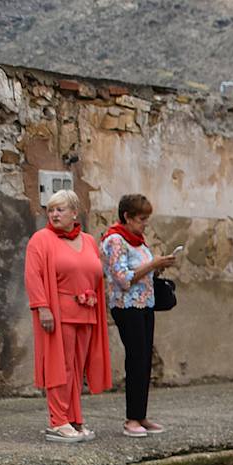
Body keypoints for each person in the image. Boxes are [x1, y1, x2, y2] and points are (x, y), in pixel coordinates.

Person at [25, 189, 111, 443]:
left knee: (77, 368)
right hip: (57, 314)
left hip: (86, 312)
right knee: (59, 367)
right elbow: (33, 276)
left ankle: (74, 418)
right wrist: (42, 307)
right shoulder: (41, 240)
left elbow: (95, 275)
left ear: (75, 213)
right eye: (50, 210)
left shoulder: (88, 240)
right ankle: (58, 421)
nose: (53, 214)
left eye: (59, 209)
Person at [99, 193, 177, 438]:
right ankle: (131, 418)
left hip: (145, 305)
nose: (145, 223)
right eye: (142, 219)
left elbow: (142, 272)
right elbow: (122, 279)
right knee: (135, 360)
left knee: (144, 361)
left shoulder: (138, 241)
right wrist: (153, 264)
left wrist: (157, 267)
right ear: (127, 217)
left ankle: (141, 414)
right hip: (126, 306)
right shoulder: (115, 241)